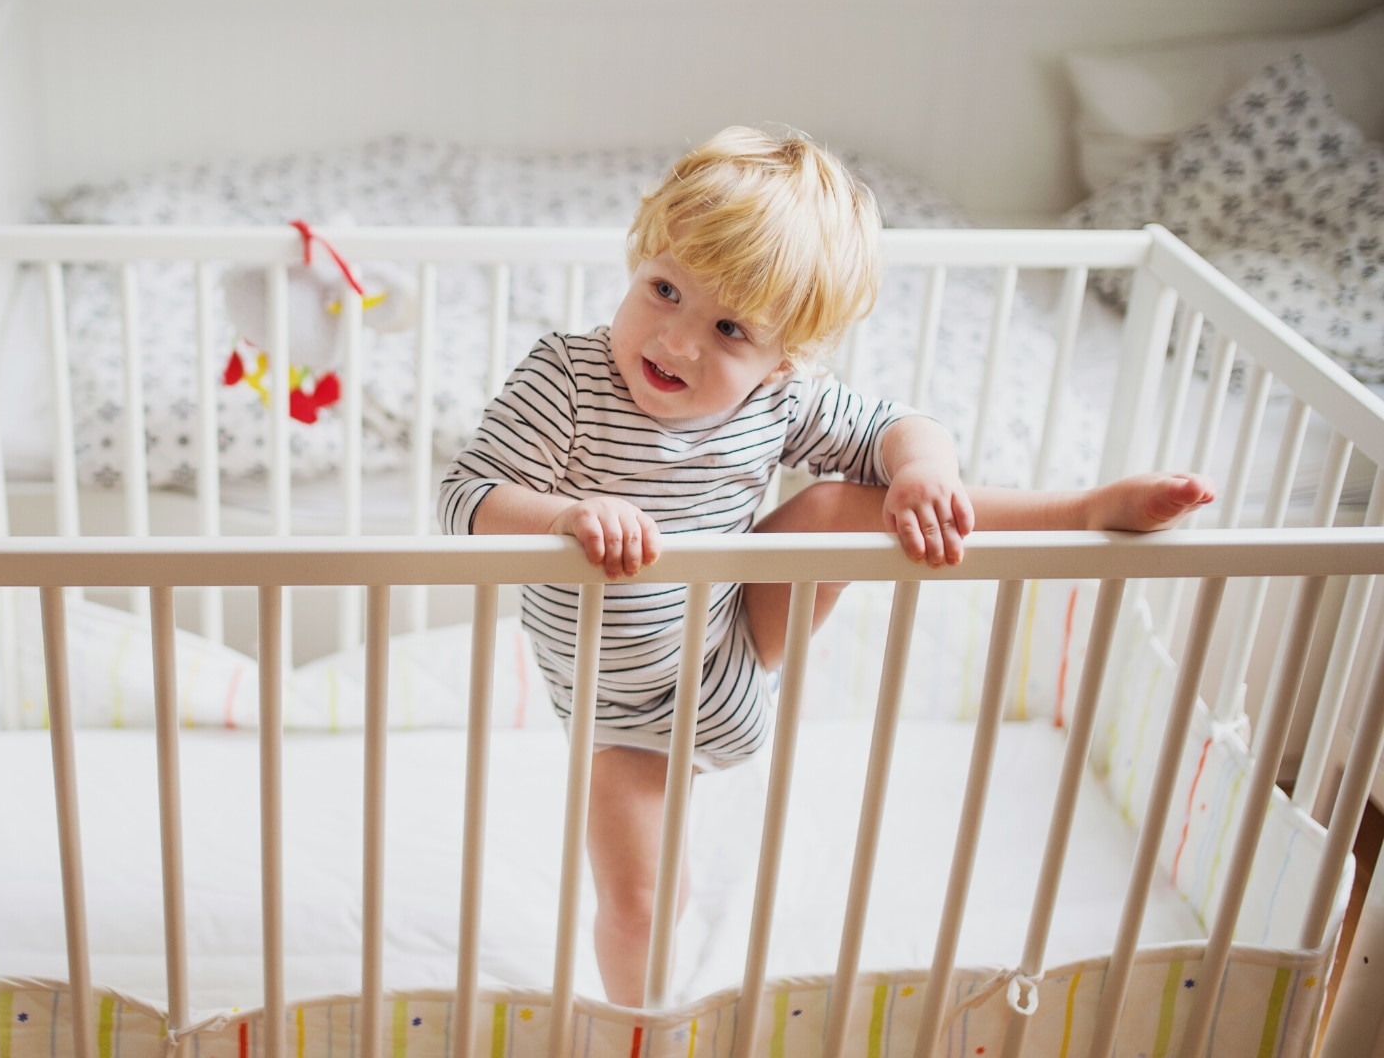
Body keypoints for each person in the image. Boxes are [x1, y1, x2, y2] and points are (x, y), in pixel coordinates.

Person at [435, 125, 1215, 1008]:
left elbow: (900, 428)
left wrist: (924, 469)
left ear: (784, 359)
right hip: (624, 718)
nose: (678, 341)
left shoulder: (777, 402)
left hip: (733, 648)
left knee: (858, 502)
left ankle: (1082, 511)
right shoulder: (567, 382)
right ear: (637, 260)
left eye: (730, 328)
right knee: (643, 903)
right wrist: (569, 515)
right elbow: (465, 497)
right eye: (664, 291)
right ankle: (638, 1025)